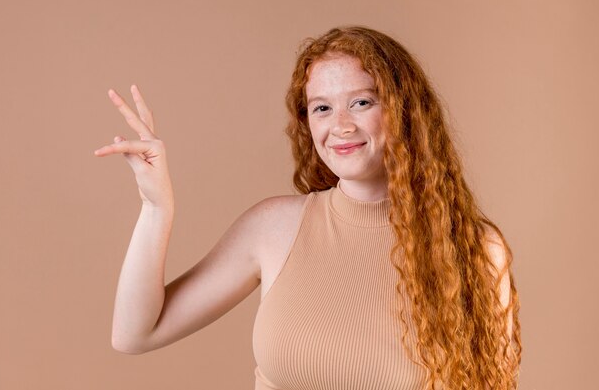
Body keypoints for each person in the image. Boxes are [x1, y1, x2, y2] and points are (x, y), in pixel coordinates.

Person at [94, 25, 522, 390]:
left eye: (362, 102)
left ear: (405, 111)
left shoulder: (475, 249)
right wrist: (156, 208)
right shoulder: (273, 228)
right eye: (322, 108)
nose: (341, 125)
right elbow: (134, 333)